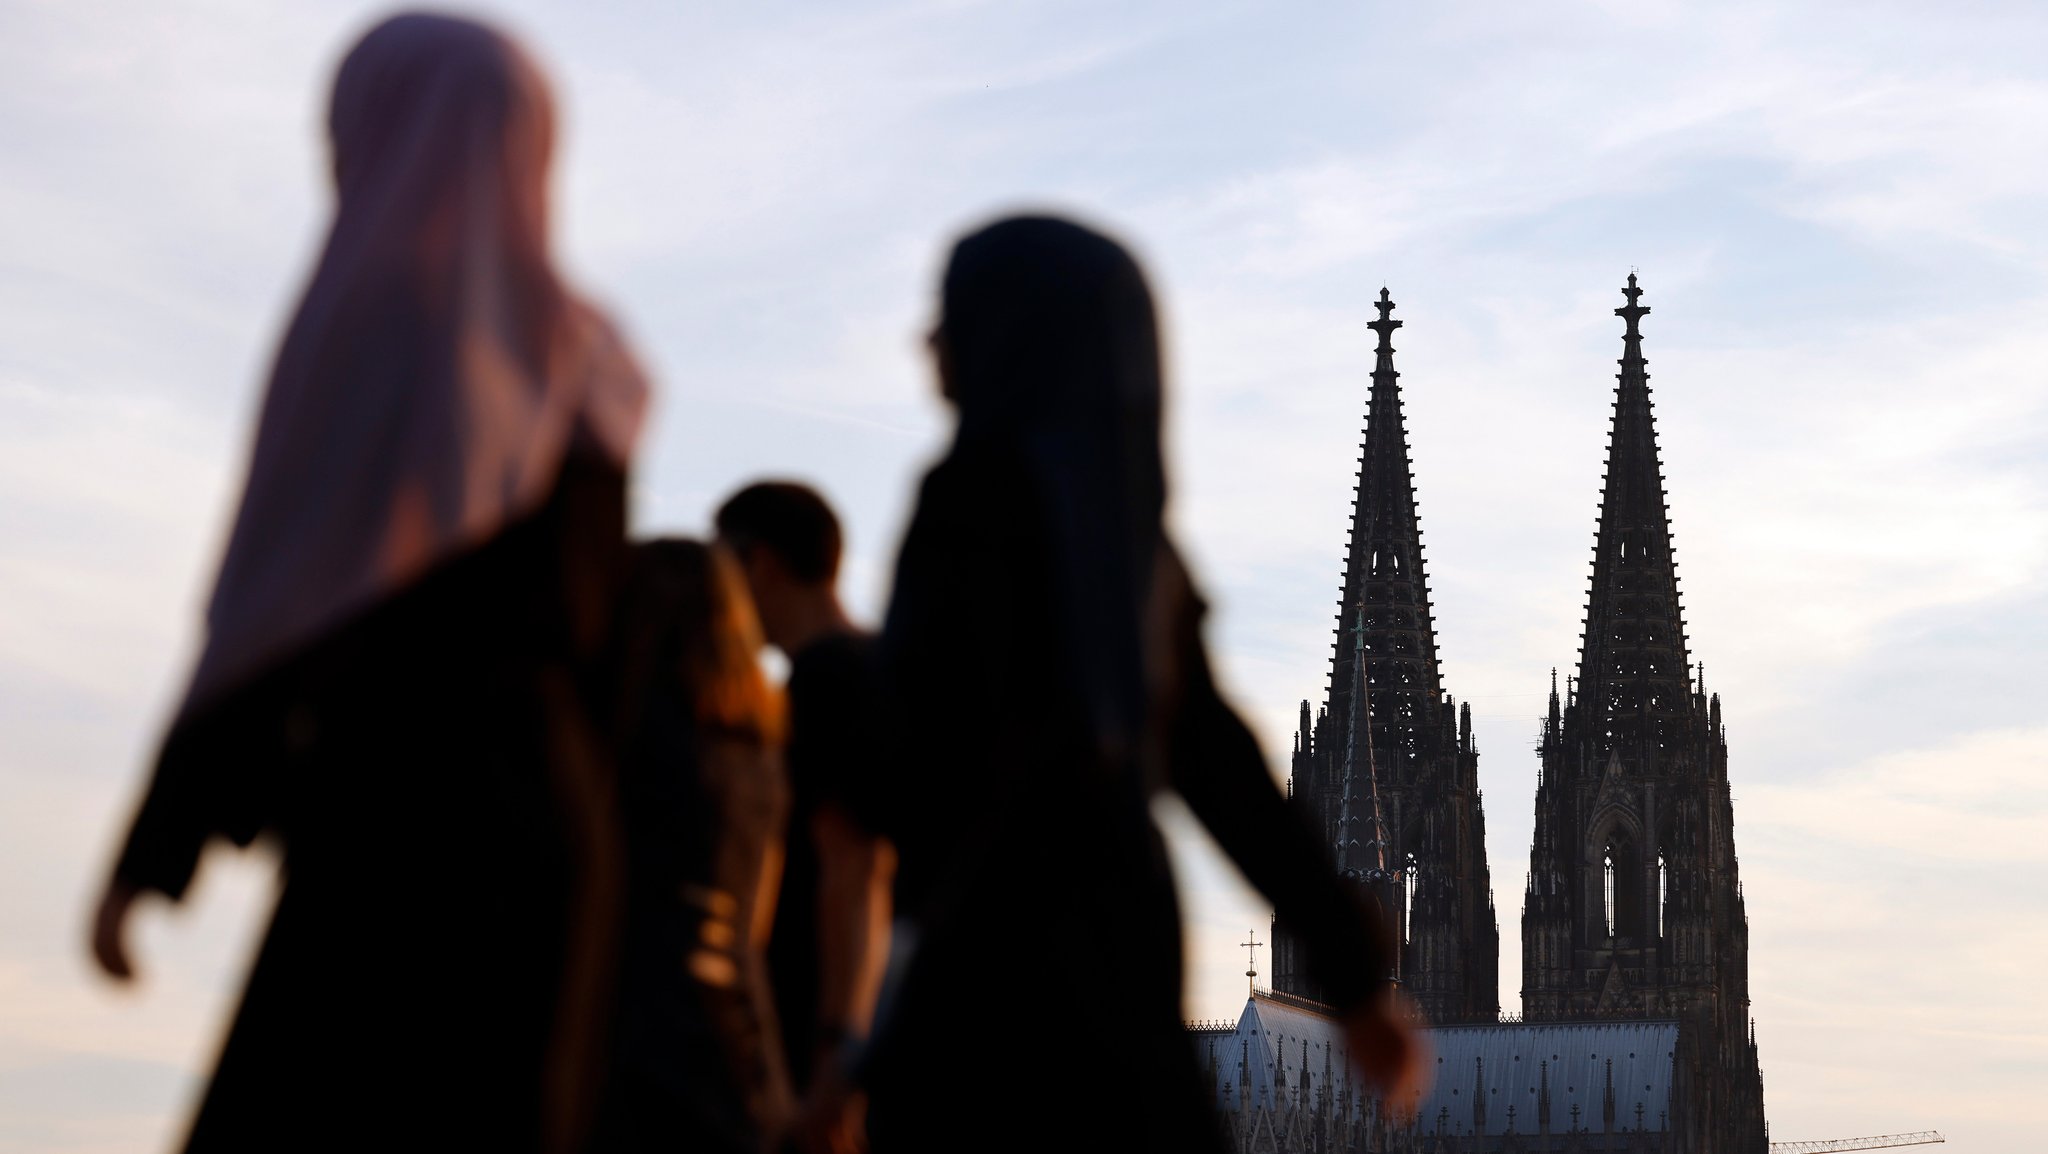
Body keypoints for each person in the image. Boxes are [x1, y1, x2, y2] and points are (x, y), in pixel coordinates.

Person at [88, 14, 648, 1152]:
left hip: (397, 834)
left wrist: (157, 850)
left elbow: (288, 593)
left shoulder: (379, 322)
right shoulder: (589, 361)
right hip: (554, 837)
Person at [858, 215, 1427, 1152]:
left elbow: (903, 764)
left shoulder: (965, 505)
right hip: (1119, 935)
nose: (928, 344)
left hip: (984, 954)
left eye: (953, 319)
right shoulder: (1136, 548)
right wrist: (1358, 980)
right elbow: (1220, 766)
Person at [596, 538, 794, 1154]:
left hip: (625, 1038)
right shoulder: (759, 763)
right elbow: (748, 940)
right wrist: (776, 1089)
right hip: (728, 1052)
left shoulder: (617, 735)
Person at [715, 482, 896, 1154]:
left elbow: (853, 865)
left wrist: (832, 1058)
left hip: (817, 1032)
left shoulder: (823, 681)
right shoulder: (877, 665)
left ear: (759, 564)